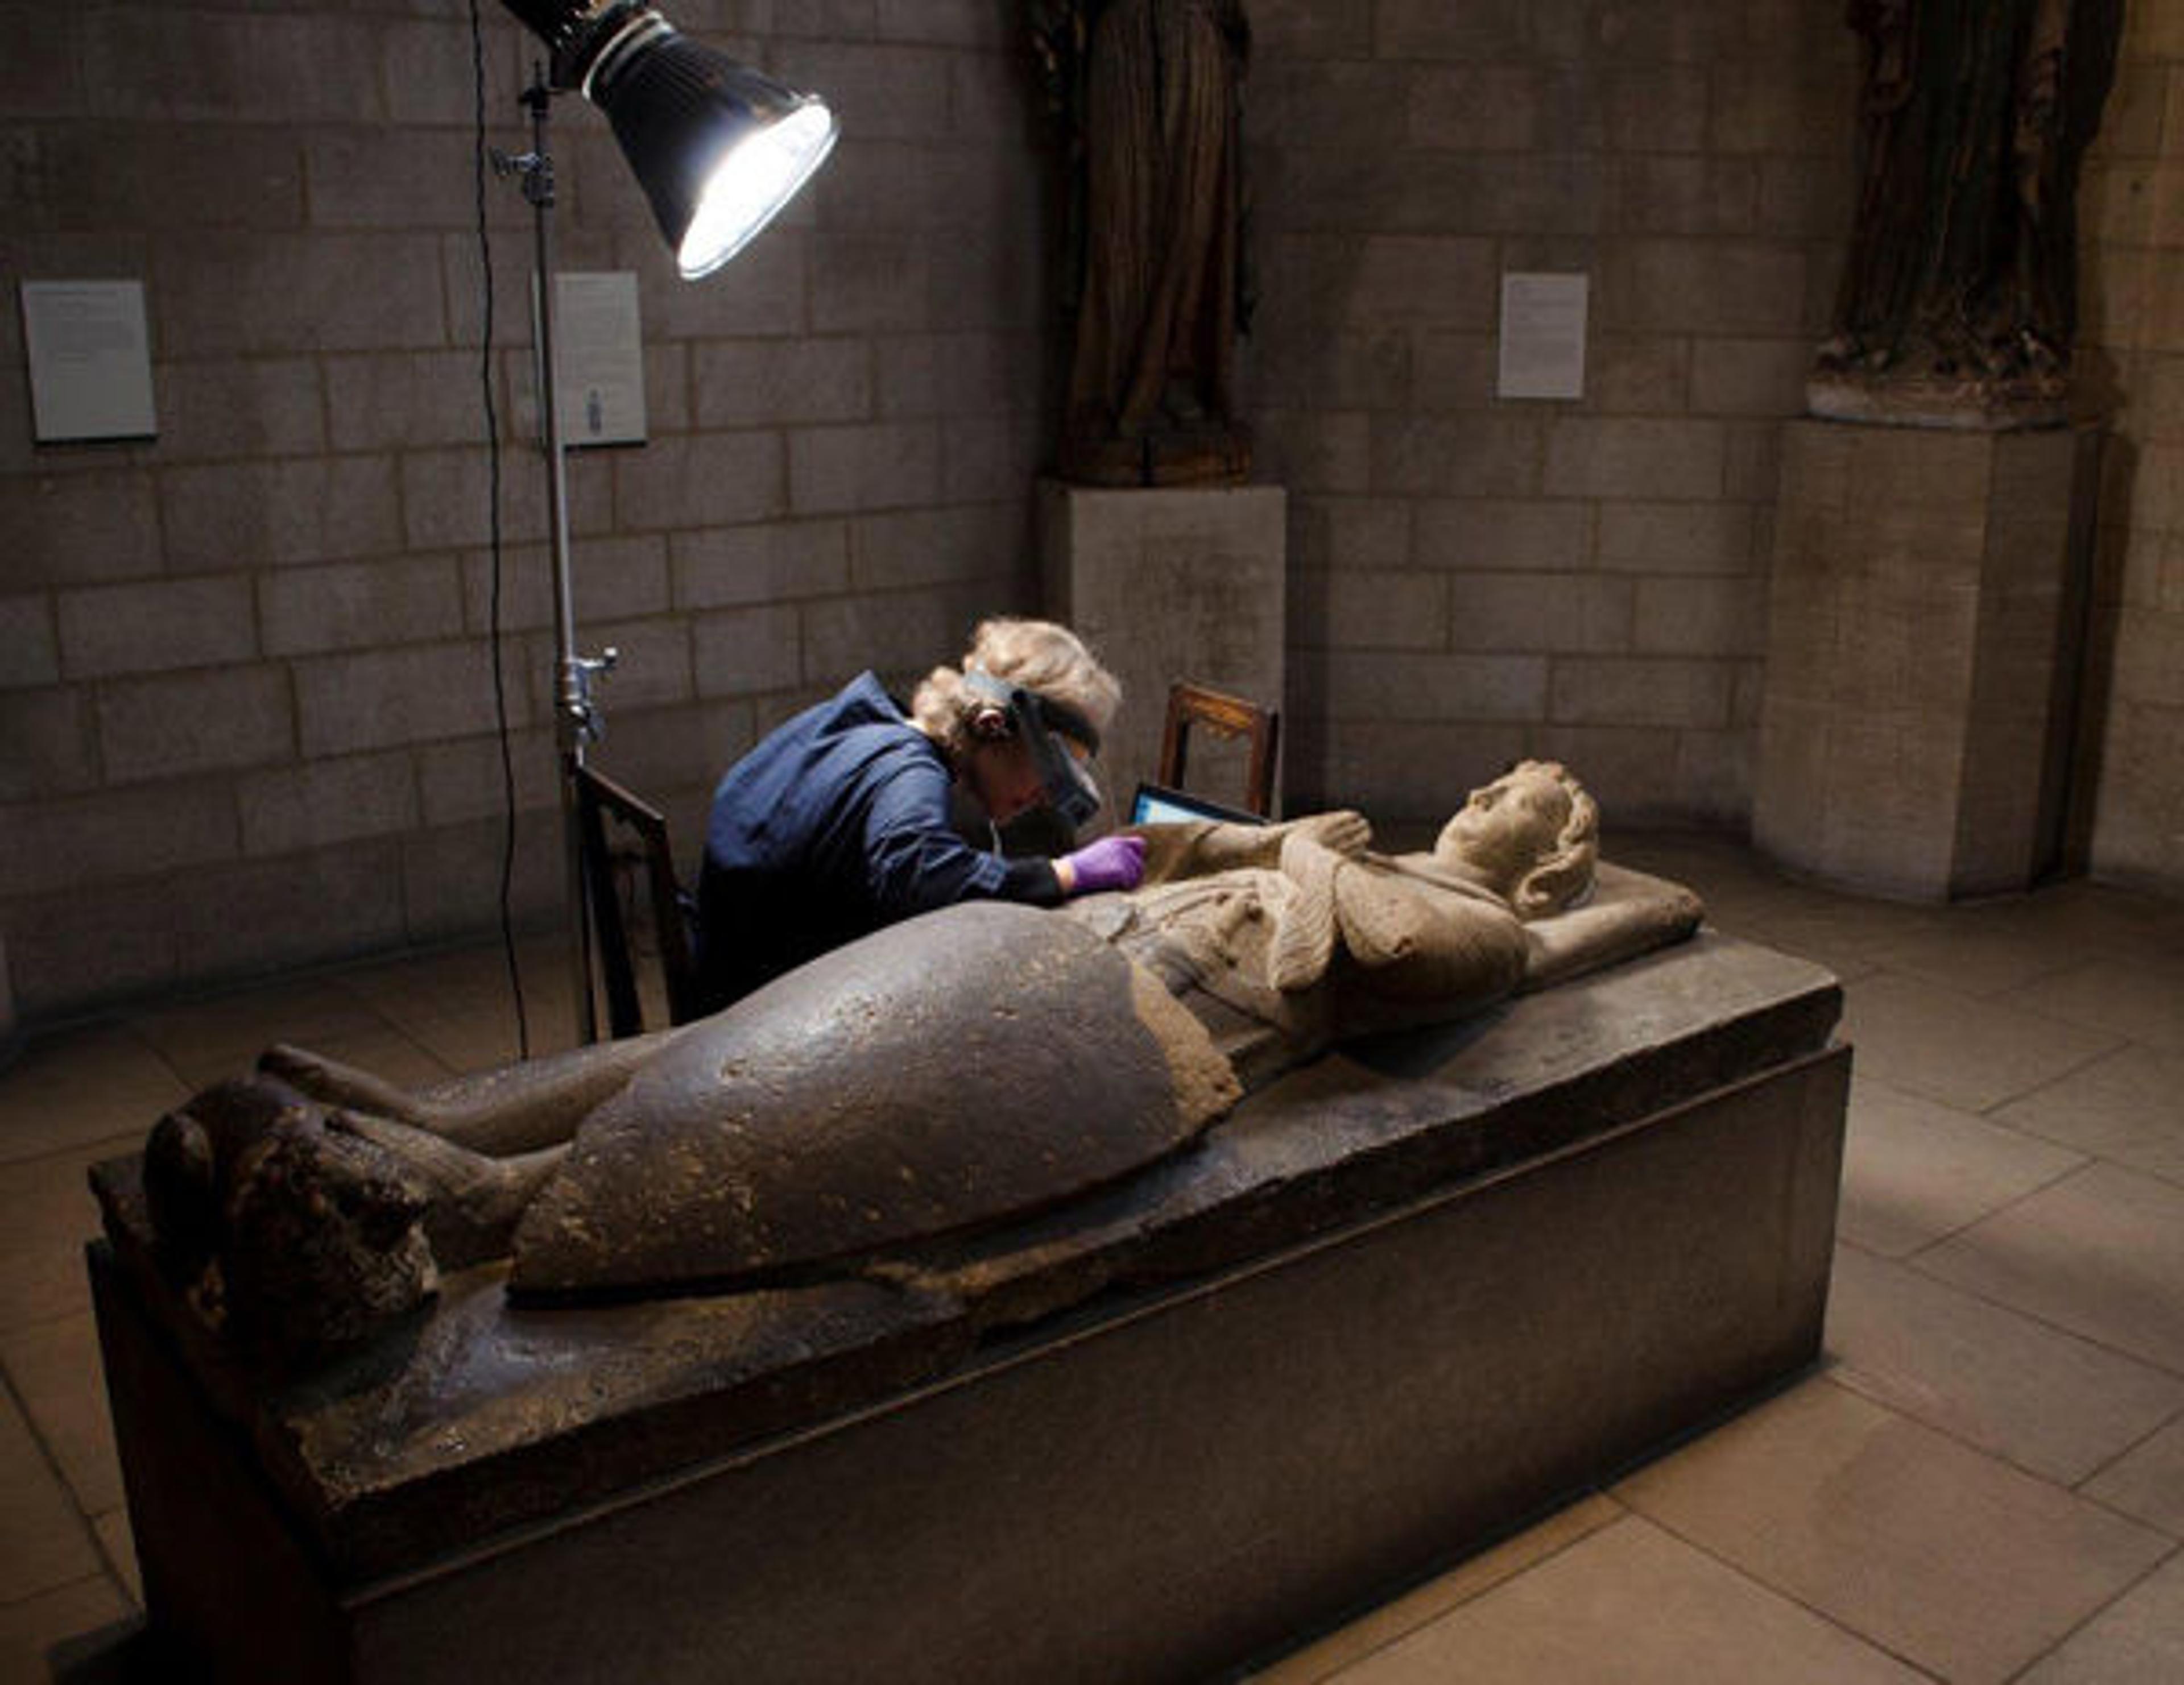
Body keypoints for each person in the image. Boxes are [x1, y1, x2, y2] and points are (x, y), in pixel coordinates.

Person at [692, 618, 1146, 1010]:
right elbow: (917, 873)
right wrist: (1062, 874)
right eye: (1051, 771)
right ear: (995, 728)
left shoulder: (860, 721)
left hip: (722, 963)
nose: (1047, 797)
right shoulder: (908, 771)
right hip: (754, 1012)